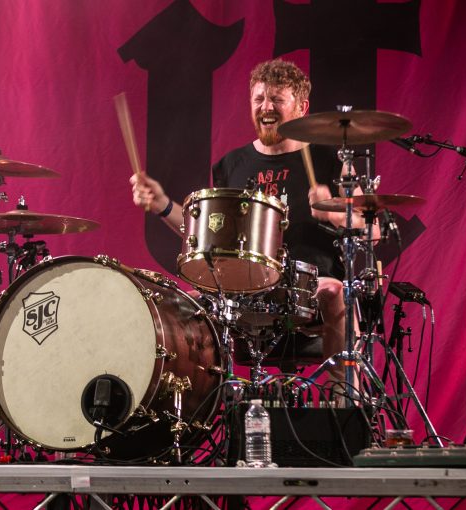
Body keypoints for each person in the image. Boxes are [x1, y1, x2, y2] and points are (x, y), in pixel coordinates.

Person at [130, 59, 372, 379]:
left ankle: (346, 399)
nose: (266, 107)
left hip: (308, 287)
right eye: (259, 99)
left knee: (338, 292)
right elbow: (205, 233)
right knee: (179, 305)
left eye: (276, 99)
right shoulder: (232, 164)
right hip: (244, 287)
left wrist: (332, 214)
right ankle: (194, 404)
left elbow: (372, 229)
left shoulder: (329, 160)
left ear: (301, 107)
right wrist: (162, 205)